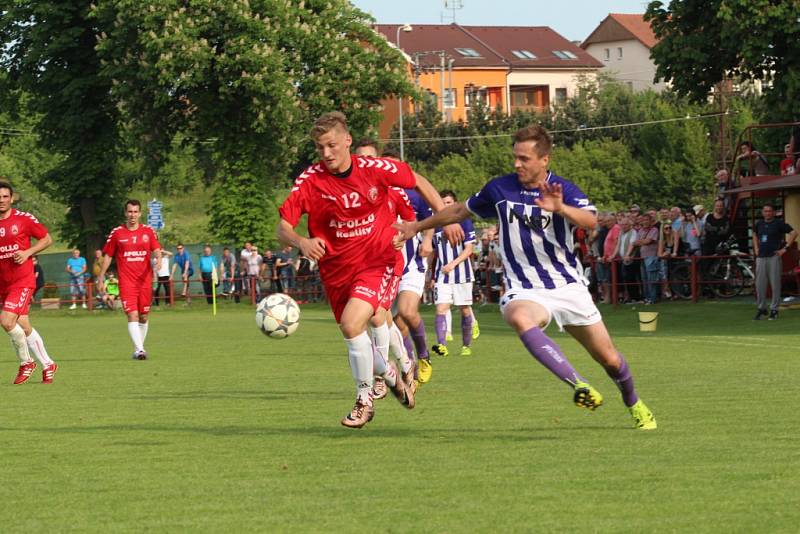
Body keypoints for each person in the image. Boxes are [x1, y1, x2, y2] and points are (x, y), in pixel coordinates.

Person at [394, 125, 657, 430]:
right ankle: (579, 384)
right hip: (524, 287)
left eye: (524, 158)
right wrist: (417, 226)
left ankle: (634, 403)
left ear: (544, 159)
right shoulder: (499, 189)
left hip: (568, 286)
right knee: (520, 317)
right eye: (515, 158)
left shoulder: (563, 189)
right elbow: (457, 212)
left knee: (610, 360)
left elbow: (590, 221)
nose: (517, 164)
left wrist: (560, 208)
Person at [277, 111, 459, 428]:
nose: (327, 153)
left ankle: (365, 400)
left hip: (378, 260)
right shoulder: (310, 180)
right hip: (335, 271)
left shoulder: (375, 169)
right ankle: (392, 374)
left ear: (347, 141)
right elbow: (282, 227)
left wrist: (443, 217)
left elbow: (418, 181)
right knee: (354, 331)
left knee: (360, 321)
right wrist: (301, 241)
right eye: (320, 148)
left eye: (332, 145)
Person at [0, 179, 58, 384]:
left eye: (5, 197)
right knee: (23, 325)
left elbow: (47, 239)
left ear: (12, 198)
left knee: (6, 321)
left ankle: (26, 362)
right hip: (3, 284)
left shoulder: (23, 219)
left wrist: (28, 252)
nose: (2, 201)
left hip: (22, 281)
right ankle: (48, 363)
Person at [98, 199, 162, 359]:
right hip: (127, 282)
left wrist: (159, 260)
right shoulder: (117, 233)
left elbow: (156, 249)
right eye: (130, 211)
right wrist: (100, 277)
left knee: (143, 316)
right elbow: (107, 257)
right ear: (125, 213)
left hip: (145, 280)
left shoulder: (148, 231)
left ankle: (138, 348)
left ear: (140, 213)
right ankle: (140, 350)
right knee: (132, 315)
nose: (132, 215)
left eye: (135, 212)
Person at [430, 190, 477, 357]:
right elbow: (432, 251)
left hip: (461, 274)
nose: (446, 206)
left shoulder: (463, 221)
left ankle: (466, 345)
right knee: (441, 308)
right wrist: (431, 275)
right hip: (442, 275)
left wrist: (452, 264)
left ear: (455, 204)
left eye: (449, 203)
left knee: (464, 310)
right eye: (443, 203)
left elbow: (469, 249)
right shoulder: (434, 224)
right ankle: (442, 345)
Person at [752, 204, 797, 320]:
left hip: (774, 257)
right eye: (765, 211)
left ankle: (774, 309)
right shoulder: (759, 224)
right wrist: (756, 248)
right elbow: (754, 234)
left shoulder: (779, 223)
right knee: (760, 285)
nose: (767, 213)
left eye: (769, 211)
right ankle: (761, 308)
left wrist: (784, 249)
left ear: (773, 213)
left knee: (775, 284)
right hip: (761, 257)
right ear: (762, 213)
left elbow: (794, 233)